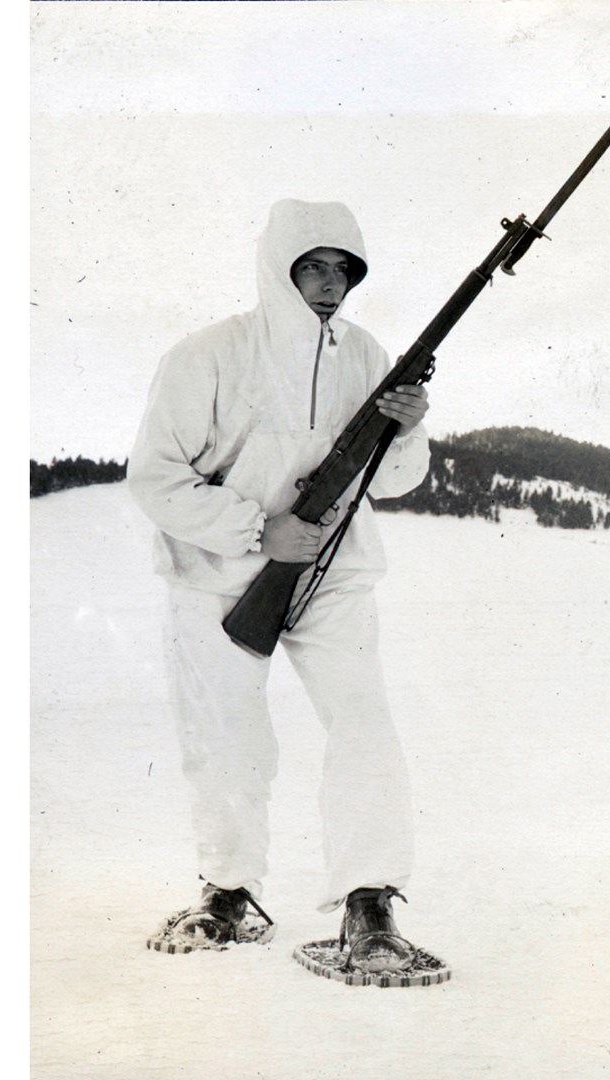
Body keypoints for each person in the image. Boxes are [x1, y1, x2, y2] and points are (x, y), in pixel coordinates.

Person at [126, 198, 431, 972]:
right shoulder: (210, 354)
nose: (330, 284)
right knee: (227, 739)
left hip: (332, 572)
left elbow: (394, 480)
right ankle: (228, 894)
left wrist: (409, 423)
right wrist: (258, 532)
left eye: (344, 269)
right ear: (279, 266)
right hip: (218, 576)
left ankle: (368, 905)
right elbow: (156, 477)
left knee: (364, 724)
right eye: (313, 266)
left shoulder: (367, 355)